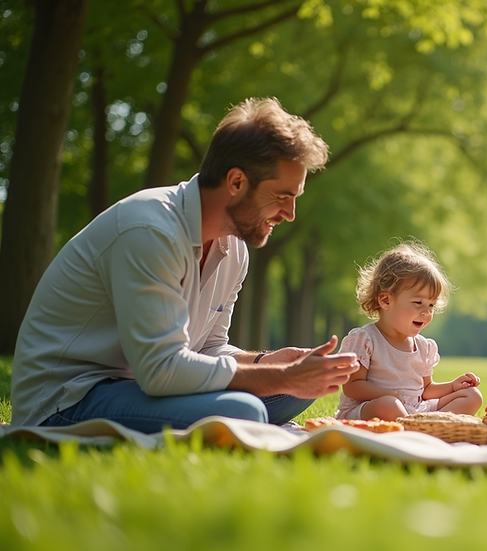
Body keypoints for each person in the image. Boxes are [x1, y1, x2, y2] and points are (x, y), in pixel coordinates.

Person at [11, 97, 360, 433]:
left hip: (142, 386)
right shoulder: (150, 230)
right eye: (282, 196)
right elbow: (160, 371)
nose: (290, 213)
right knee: (247, 409)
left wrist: (270, 363)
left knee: (292, 392)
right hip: (70, 399)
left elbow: (207, 350)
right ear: (236, 182)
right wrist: (282, 376)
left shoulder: (234, 249)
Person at [335, 241, 482, 421]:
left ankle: (423, 429)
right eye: (418, 303)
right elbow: (352, 387)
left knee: (472, 396)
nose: (426, 312)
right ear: (386, 300)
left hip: (414, 410)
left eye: (431, 305)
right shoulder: (366, 339)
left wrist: (453, 386)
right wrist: (390, 395)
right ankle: (420, 429)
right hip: (370, 410)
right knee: (388, 405)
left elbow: (426, 390)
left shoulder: (423, 347)